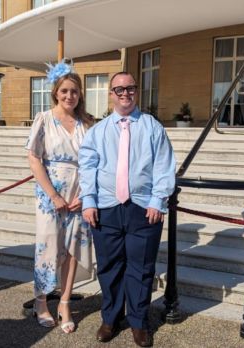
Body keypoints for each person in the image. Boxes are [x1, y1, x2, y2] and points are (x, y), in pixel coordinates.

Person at [78, 72, 176, 347]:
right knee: (109, 267)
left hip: (144, 209)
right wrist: (88, 201)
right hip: (106, 208)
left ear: (136, 91)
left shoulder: (152, 127)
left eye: (130, 88)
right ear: (111, 94)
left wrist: (158, 200)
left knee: (141, 268)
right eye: (119, 89)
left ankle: (138, 321)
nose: (125, 93)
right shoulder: (97, 131)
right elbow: (87, 169)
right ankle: (110, 318)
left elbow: (164, 165)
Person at [25, 60, 93, 333]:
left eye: (74, 91)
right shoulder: (43, 119)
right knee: (48, 247)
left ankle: (64, 302)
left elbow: (95, 163)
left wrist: (87, 195)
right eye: (64, 91)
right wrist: (52, 195)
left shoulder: (86, 123)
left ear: (80, 95)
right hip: (50, 194)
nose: (69, 96)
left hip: (79, 194)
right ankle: (41, 301)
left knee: (73, 250)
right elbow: (34, 159)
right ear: (56, 92)